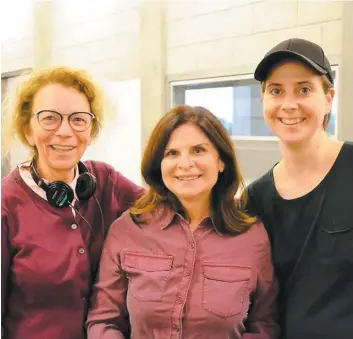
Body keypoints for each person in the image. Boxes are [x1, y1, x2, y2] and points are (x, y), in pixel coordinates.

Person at [85, 105, 279, 339]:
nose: (185, 164)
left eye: (198, 150)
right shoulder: (127, 229)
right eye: (172, 153)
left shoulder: (252, 236)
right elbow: (103, 320)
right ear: (159, 164)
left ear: (221, 161)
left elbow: (264, 324)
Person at [1, 66, 144, 339]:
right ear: (27, 130)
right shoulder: (6, 205)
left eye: (78, 120)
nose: (65, 132)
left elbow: (164, 209)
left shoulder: (105, 181)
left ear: (91, 132)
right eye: (49, 118)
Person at [246, 38, 353, 339]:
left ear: (329, 98)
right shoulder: (256, 199)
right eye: (276, 91)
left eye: (304, 89)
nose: (288, 104)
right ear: (263, 101)